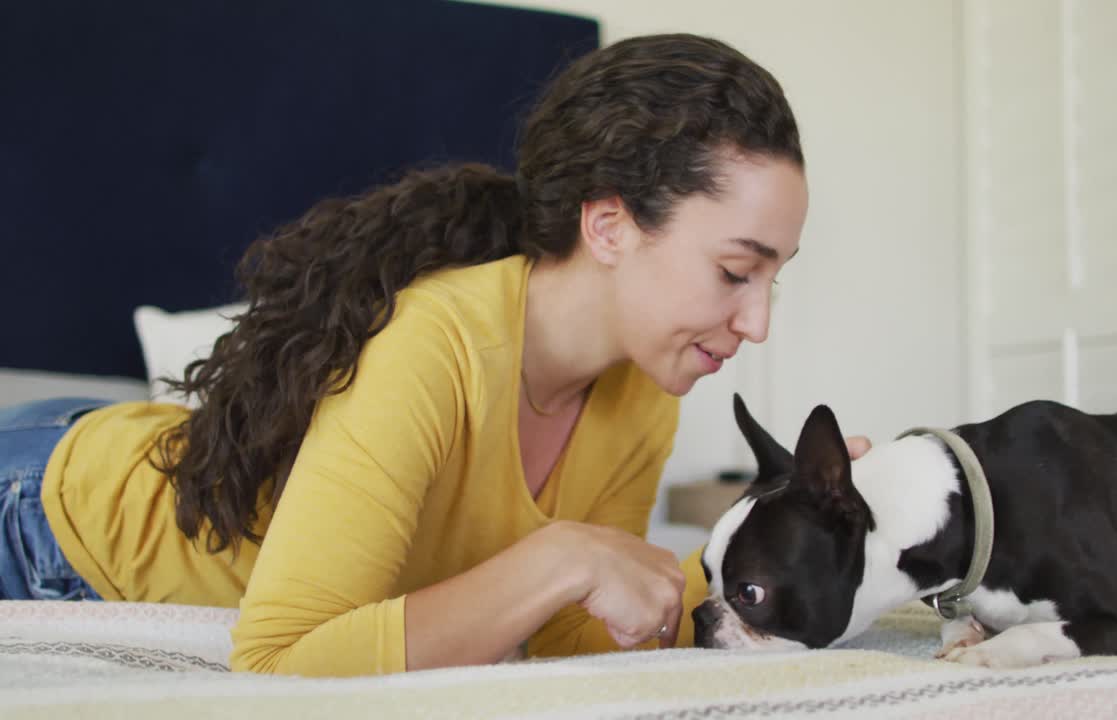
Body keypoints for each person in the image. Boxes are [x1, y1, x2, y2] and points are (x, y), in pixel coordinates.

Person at [0, 33, 870, 677]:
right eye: (734, 272)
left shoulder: (645, 387)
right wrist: (560, 554)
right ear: (608, 226)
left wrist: (774, 536)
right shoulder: (434, 344)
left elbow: (575, 632)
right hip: (47, 511)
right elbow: (279, 664)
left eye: (773, 281)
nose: (757, 323)